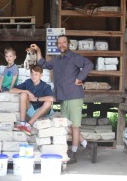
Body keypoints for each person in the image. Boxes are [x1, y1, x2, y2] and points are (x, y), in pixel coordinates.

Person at [30, 35, 95, 164]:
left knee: (75, 127)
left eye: (64, 42)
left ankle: (74, 154)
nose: (61, 45)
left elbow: (89, 64)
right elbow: (43, 64)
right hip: (63, 97)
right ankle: (89, 146)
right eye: (59, 43)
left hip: (74, 96)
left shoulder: (74, 57)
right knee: (68, 126)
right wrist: (38, 51)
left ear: (68, 44)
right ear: (57, 45)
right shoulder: (57, 60)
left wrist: (80, 77)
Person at [9, 64, 54, 136]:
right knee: (23, 94)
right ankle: (22, 123)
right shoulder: (28, 82)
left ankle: (28, 125)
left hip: (41, 111)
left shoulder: (45, 86)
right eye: (32, 74)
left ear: (41, 75)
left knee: (48, 102)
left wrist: (37, 99)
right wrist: (27, 92)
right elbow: (11, 90)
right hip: (30, 109)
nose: (34, 76)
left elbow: (52, 98)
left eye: (36, 74)